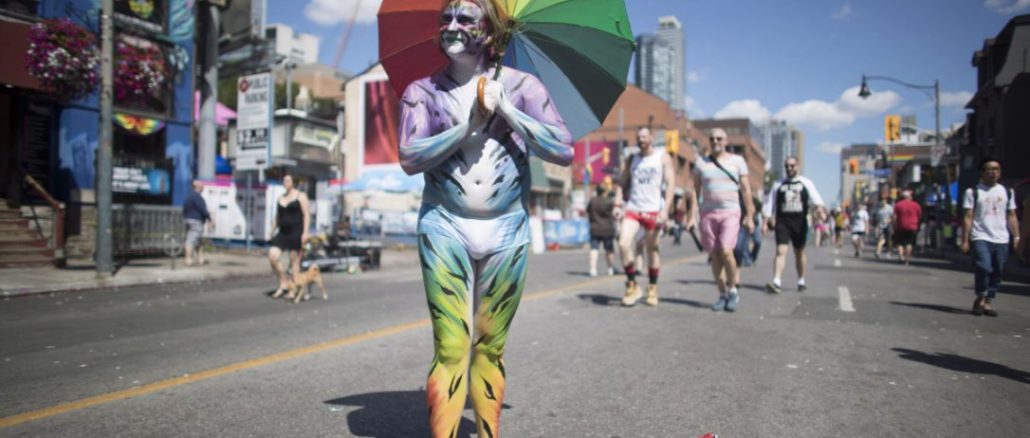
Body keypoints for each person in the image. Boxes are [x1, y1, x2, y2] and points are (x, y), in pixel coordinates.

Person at [398, 1, 573, 435]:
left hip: (507, 230)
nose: (451, 26)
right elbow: (408, 157)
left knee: (490, 346)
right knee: (452, 345)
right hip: (445, 224)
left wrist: (509, 112)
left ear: (491, 34)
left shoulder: (523, 86)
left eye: (464, 19)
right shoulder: (422, 91)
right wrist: (467, 127)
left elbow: (564, 149)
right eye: (446, 19)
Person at [689, 128, 754, 312]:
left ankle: (733, 290)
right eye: (712, 138)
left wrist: (749, 215)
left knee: (726, 251)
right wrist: (691, 216)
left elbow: (746, 189)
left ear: (726, 141)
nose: (715, 141)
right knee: (715, 254)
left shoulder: (737, 161)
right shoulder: (701, 163)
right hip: (708, 214)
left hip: (730, 212)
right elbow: (695, 190)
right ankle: (722, 294)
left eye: (719, 138)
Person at [617, 126, 676, 307]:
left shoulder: (662, 157)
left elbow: (671, 184)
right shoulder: (631, 159)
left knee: (652, 249)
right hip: (634, 208)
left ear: (651, 137)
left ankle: (652, 287)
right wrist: (618, 204)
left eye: (644, 136)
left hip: (653, 210)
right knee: (623, 243)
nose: (641, 139)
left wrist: (665, 210)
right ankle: (633, 285)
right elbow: (622, 183)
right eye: (638, 137)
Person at [962, 158, 1019, 317]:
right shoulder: (973, 191)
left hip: (1001, 237)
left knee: (998, 270)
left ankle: (988, 300)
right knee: (984, 266)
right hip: (980, 235)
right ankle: (980, 295)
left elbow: (1012, 215)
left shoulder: (1008, 192)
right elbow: (968, 217)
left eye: (997, 169)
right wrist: (965, 240)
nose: (993, 172)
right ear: (982, 172)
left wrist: (1017, 237)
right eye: (990, 169)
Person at [763, 156, 825, 294]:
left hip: (800, 223)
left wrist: (820, 210)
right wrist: (765, 222)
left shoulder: (805, 183)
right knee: (780, 251)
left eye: (792, 166)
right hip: (783, 223)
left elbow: (816, 199)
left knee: (799, 253)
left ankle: (801, 279)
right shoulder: (778, 184)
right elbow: (770, 204)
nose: (789, 168)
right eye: (787, 166)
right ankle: (776, 281)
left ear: (798, 166)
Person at [269, 174, 311, 301]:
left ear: (294, 182)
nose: (284, 182)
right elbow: (278, 217)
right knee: (273, 255)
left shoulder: (301, 196)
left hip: (296, 232)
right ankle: (283, 282)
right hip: (283, 233)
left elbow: (306, 215)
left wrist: (305, 232)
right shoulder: (280, 198)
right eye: (283, 180)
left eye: (287, 180)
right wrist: (271, 230)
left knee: (294, 261)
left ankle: (294, 288)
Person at [587, 184, 617, 277]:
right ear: (605, 191)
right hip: (607, 229)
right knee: (609, 250)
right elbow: (614, 213)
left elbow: (588, 211)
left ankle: (593, 269)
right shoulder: (609, 201)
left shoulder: (592, 201)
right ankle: (610, 269)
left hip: (595, 228)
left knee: (594, 249)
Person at [181, 180, 212, 266]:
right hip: (196, 221)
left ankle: (200, 259)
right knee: (191, 240)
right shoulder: (198, 197)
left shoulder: (188, 197)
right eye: (202, 186)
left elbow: (184, 209)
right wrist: (210, 219)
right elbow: (203, 210)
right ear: (198, 187)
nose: (203, 188)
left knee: (198, 240)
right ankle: (188, 259)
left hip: (188, 220)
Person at [892, 190, 922, 265]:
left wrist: (894, 226)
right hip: (913, 226)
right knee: (909, 243)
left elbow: (894, 217)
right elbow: (920, 216)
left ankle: (901, 256)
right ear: (910, 197)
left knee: (900, 243)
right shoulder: (916, 205)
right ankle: (907, 260)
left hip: (901, 226)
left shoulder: (898, 205)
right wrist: (918, 226)